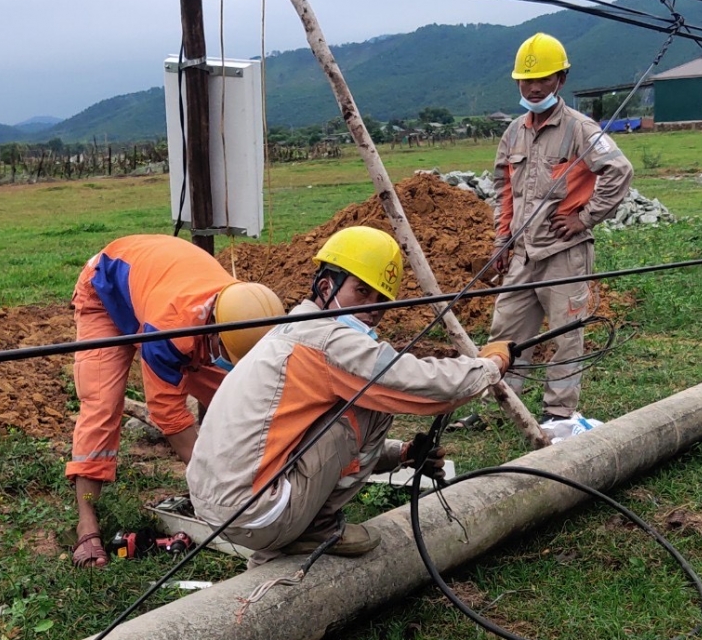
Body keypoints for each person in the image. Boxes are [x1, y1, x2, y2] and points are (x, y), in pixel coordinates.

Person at [186, 226, 513, 568]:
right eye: (361, 291)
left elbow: (301, 438)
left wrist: (401, 454)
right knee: (374, 402)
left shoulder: (291, 331)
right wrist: (491, 365)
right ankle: (314, 529)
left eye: (381, 301)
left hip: (218, 505)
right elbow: (424, 385)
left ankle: (285, 538)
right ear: (326, 286)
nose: (371, 309)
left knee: (358, 396)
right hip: (257, 513)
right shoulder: (331, 342)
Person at [67, 234, 284, 568]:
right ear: (214, 330)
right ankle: (87, 523)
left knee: (240, 393)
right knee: (103, 405)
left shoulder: (244, 309)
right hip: (106, 290)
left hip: (159, 289)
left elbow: (253, 391)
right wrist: (217, 491)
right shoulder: (167, 335)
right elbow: (171, 419)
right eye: (228, 353)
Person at [487, 32, 633, 424]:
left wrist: (584, 218)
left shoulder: (580, 129)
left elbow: (619, 171)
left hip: (563, 254)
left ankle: (558, 412)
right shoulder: (513, 132)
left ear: (561, 80)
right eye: (526, 80)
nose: (533, 88)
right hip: (522, 253)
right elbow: (504, 190)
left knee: (566, 336)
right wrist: (502, 240)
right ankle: (502, 405)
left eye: (543, 79)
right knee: (504, 331)